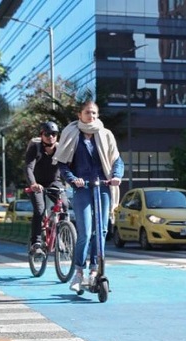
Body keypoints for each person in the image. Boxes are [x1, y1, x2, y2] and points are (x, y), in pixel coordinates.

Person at [53, 101, 124, 292]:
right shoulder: (72, 134)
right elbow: (62, 163)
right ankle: (78, 272)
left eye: (94, 113)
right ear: (80, 115)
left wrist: (116, 176)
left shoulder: (105, 134)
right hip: (82, 187)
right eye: (87, 113)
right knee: (85, 231)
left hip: (102, 185)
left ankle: (95, 269)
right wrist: (73, 179)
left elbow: (117, 160)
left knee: (101, 231)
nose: (91, 116)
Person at [25, 121, 68, 255]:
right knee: (39, 209)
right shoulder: (35, 148)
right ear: (42, 135)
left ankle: (60, 235)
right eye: (47, 134)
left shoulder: (61, 149)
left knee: (65, 205)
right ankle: (36, 242)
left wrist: (74, 181)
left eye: (54, 134)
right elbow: (28, 168)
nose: (51, 137)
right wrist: (33, 184)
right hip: (37, 184)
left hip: (54, 182)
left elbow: (67, 167)